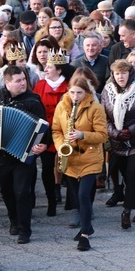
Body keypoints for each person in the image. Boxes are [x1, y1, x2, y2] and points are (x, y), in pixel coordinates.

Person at [0, 65, 49, 244]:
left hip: (25, 156)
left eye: (24, 79)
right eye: (18, 81)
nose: (23, 83)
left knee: (22, 192)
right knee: (7, 191)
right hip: (1, 156)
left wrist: (43, 144)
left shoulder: (33, 100)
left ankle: (25, 229)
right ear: (8, 83)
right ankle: (14, 221)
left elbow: (44, 128)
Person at [52, 76, 107, 251]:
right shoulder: (62, 106)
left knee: (84, 195)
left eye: (79, 93)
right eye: (72, 92)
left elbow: (102, 136)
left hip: (90, 158)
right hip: (70, 158)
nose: (75, 96)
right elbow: (56, 130)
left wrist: (82, 135)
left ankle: (84, 235)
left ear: (87, 92)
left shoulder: (96, 108)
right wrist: (61, 146)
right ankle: (87, 226)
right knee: (77, 198)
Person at [33, 49, 73, 217]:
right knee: (48, 167)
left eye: (50, 67)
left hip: (66, 131)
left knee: (69, 166)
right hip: (46, 132)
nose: (46, 69)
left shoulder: (69, 86)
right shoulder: (40, 85)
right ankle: (52, 198)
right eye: (46, 66)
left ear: (59, 69)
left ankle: (72, 201)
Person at [102, 59, 135, 226]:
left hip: (134, 140)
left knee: (132, 174)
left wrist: (131, 131)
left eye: (124, 73)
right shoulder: (107, 91)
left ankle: (126, 212)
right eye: (117, 73)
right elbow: (104, 118)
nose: (121, 76)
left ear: (130, 74)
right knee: (127, 178)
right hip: (117, 142)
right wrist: (115, 133)